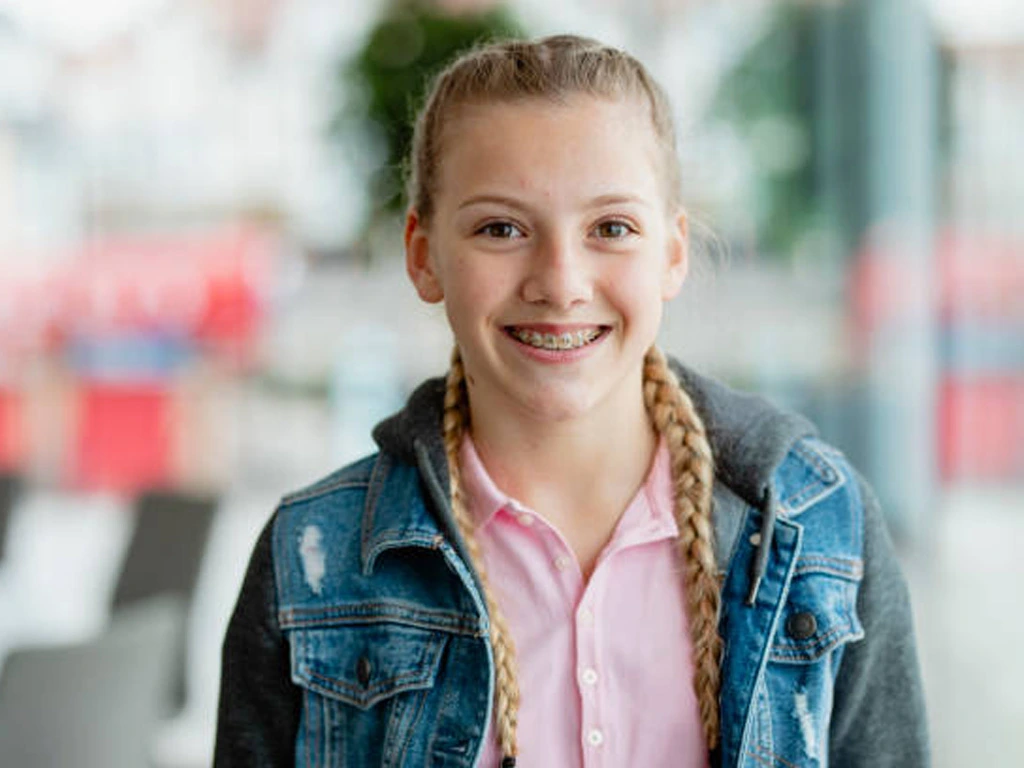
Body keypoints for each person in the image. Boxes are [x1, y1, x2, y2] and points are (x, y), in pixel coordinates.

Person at [214, 35, 929, 768]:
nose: (560, 282)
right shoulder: (313, 557)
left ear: (672, 254)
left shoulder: (822, 528)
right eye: (502, 229)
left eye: (610, 228)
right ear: (423, 255)